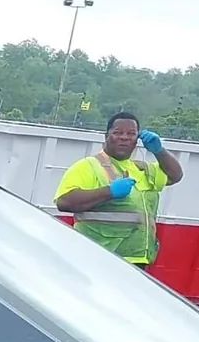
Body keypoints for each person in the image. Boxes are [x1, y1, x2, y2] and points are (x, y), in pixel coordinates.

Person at [54, 111, 183, 266]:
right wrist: (109, 192)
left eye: (131, 134)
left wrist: (159, 151)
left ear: (137, 139)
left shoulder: (142, 169)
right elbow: (64, 202)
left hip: (137, 259)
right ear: (106, 136)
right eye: (118, 132)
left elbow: (175, 175)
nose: (124, 137)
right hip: (98, 257)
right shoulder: (88, 166)